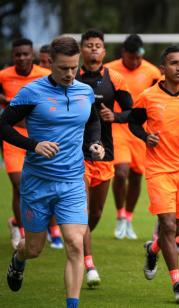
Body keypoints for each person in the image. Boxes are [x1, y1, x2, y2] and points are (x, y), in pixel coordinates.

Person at [2, 35, 104, 308]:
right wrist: (33, 145)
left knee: (74, 243)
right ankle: (18, 259)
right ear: (50, 65)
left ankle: (72, 305)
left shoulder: (84, 91)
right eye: (63, 68)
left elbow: (93, 120)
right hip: (37, 183)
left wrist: (95, 143)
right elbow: (4, 125)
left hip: (72, 181)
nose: (70, 74)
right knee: (34, 249)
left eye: (74, 68)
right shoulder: (31, 92)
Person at [129, 45, 179, 303]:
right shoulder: (148, 96)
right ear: (163, 69)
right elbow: (133, 122)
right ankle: (177, 282)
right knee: (169, 225)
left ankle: (153, 248)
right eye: (174, 63)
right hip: (159, 169)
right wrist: (145, 136)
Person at [76, 29, 133, 287]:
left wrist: (116, 116)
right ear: (81, 50)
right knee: (83, 210)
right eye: (89, 45)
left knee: (96, 212)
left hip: (105, 153)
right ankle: (89, 264)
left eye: (98, 45)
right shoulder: (70, 77)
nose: (94, 49)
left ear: (104, 51)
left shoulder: (115, 78)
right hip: (76, 154)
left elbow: (133, 111)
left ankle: (77, 240)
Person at [106, 34, 162, 240]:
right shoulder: (109, 70)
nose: (136, 62)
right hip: (118, 127)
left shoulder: (152, 71)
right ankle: (120, 214)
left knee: (137, 176)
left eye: (139, 58)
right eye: (132, 58)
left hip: (141, 129)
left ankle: (129, 218)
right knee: (121, 172)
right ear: (124, 54)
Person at [0, 38, 53, 250]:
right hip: (13, 138)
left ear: (33, 55)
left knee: (42, 186)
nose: (22, 58)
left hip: (40, 138)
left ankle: (21, 223)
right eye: (18, 54)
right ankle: (22, 232)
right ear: (13, 57)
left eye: (25, 54)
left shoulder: (43, 75)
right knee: (19, 184)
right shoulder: (4, 76)